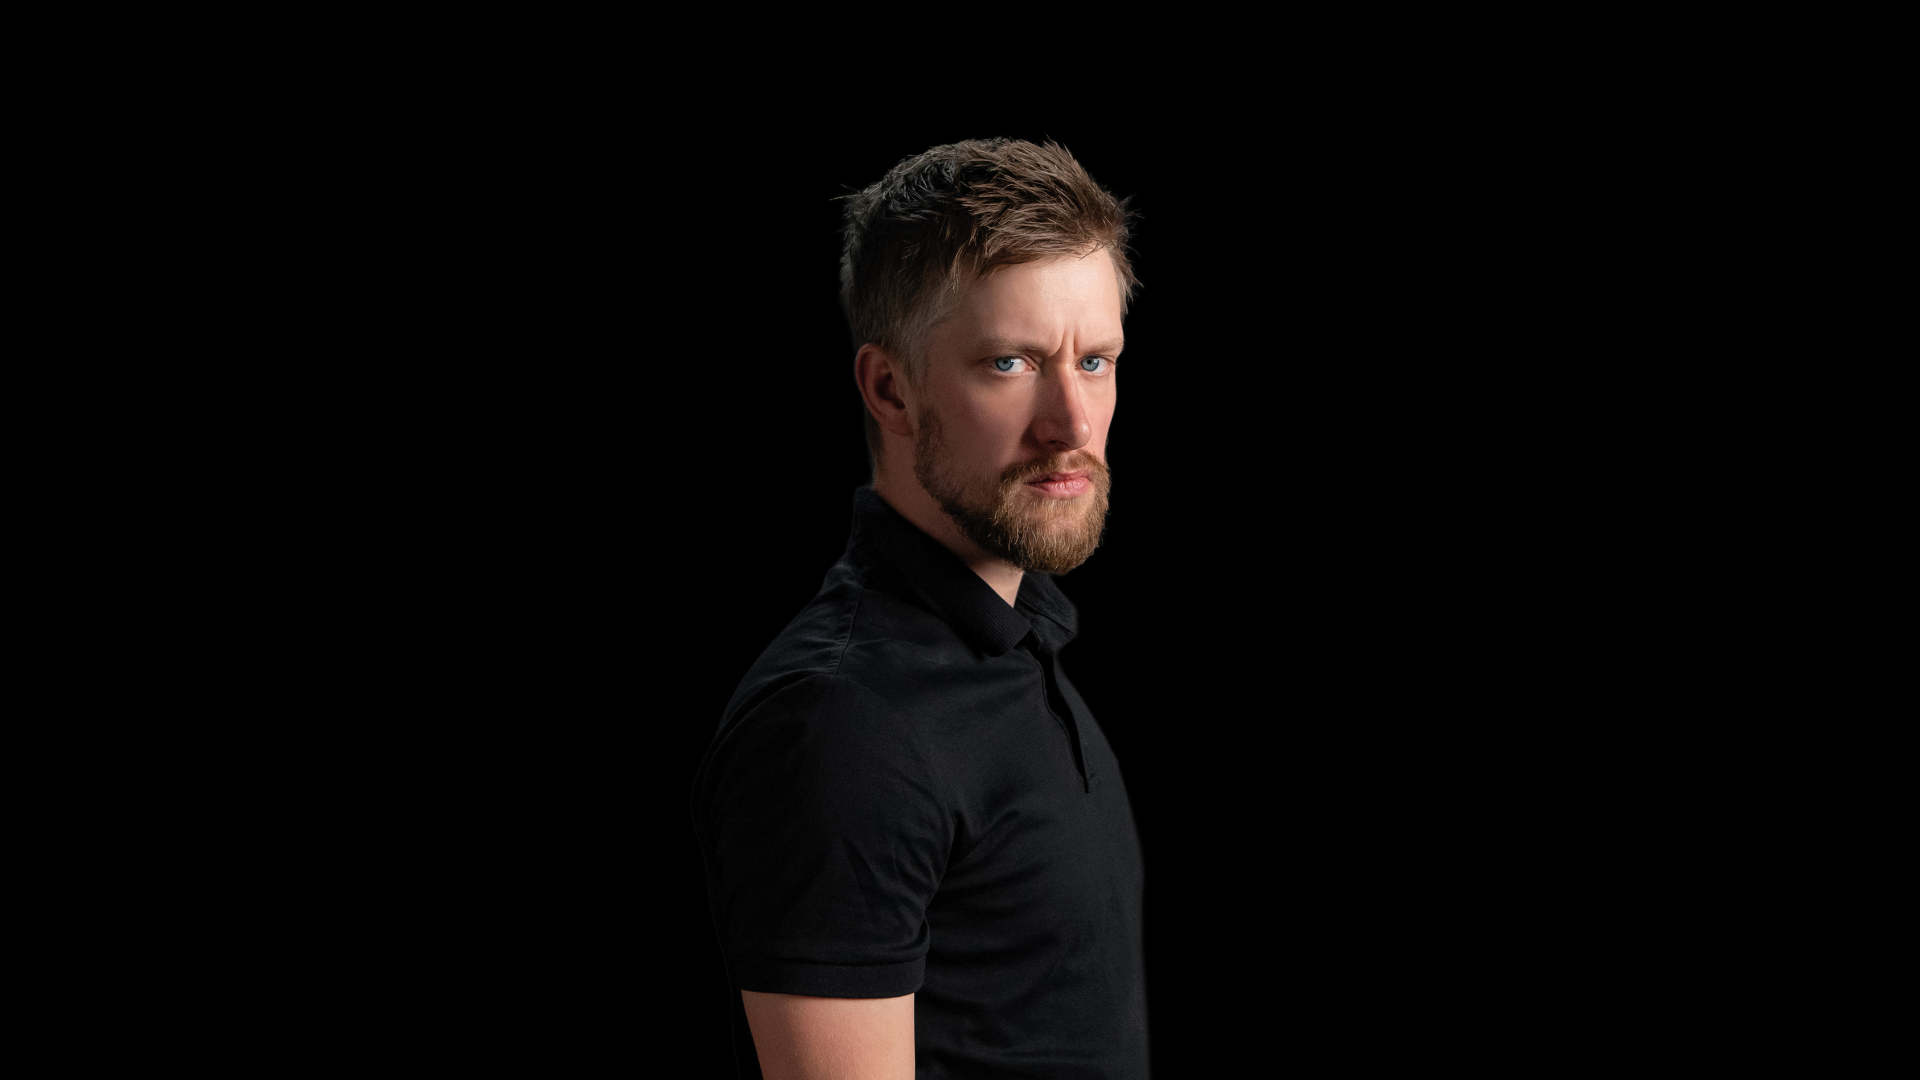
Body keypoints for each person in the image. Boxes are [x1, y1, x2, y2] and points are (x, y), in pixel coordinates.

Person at [691, 138, 1147, 1079]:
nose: (1072, 422)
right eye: (1011, 362)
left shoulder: (1017, 632)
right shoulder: (843, 727)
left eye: (1096, 361)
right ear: (890, 389)